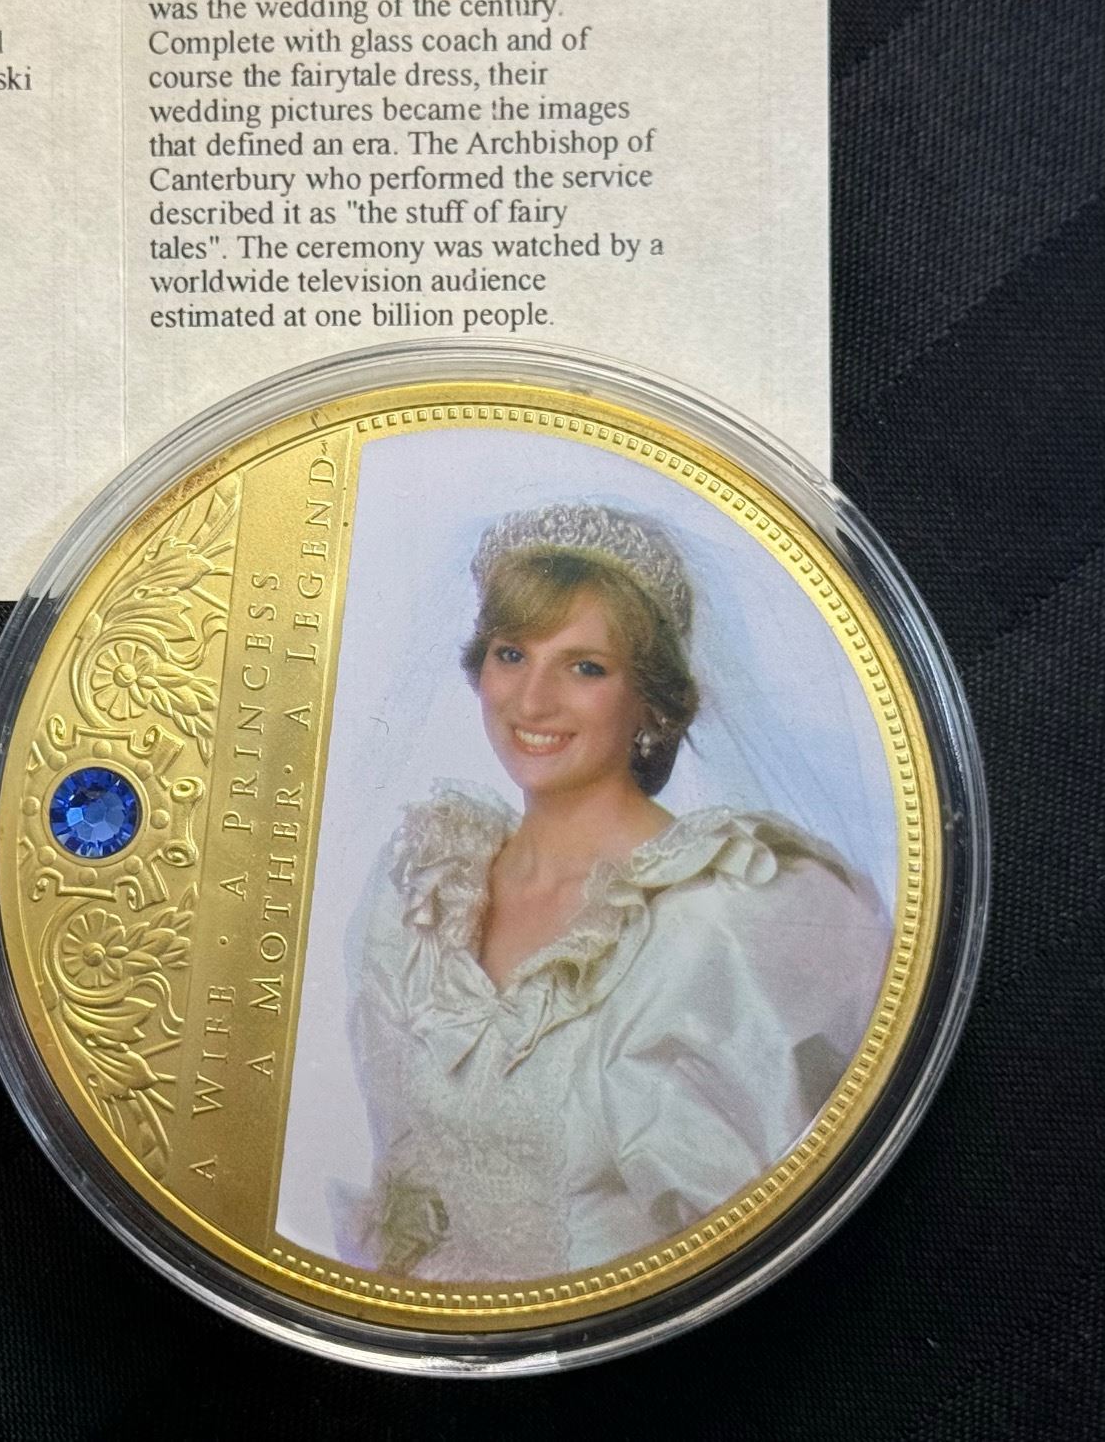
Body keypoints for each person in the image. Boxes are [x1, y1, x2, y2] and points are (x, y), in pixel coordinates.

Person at [331, 502, 893, 1283]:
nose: (531, 700)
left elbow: (767, 1235)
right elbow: (407, 1191)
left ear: (651, 702)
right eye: (510, 654)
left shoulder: (727, 915)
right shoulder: (422, 893)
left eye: (584, 667)